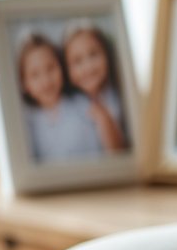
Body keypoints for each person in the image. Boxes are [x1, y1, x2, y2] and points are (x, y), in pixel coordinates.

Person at [17, 32, 102, 163]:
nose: (45, 80)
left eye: (50, 68)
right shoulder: (27, 123)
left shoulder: (84, 105)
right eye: (35, 75)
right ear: (24, 84)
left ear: (62, 67)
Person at [63, 22, 130, 153]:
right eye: (77, 61)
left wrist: (103, 118)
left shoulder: (120, 97)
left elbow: (119, 153)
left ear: (107, 54)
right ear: (66, 70)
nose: (88, 67)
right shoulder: (68, 105)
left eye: (93, 54)